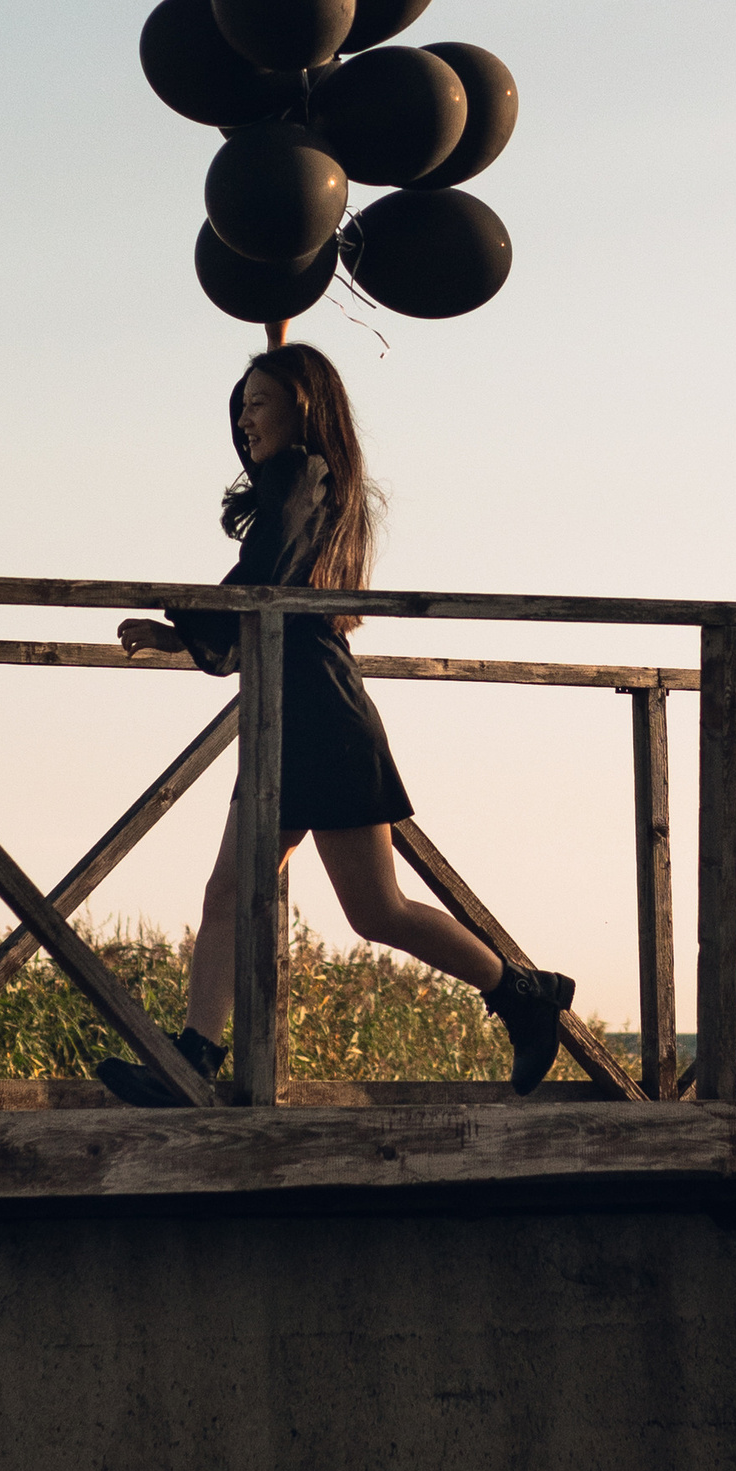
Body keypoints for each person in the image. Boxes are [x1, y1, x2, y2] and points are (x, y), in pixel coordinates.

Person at [100, 341, 574, 1103]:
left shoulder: (302, 476)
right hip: (290, 712)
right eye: (241, 405)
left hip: (318, 713)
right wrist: (184, 634)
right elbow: (261, 594)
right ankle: (195, 1056)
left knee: (373, 909)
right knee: (239, 894)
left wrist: (185, 625)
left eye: (259, 402)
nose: (244, 418)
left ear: (304, 408)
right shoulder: (309, 482)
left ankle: (522, 993)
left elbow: (263, 578)